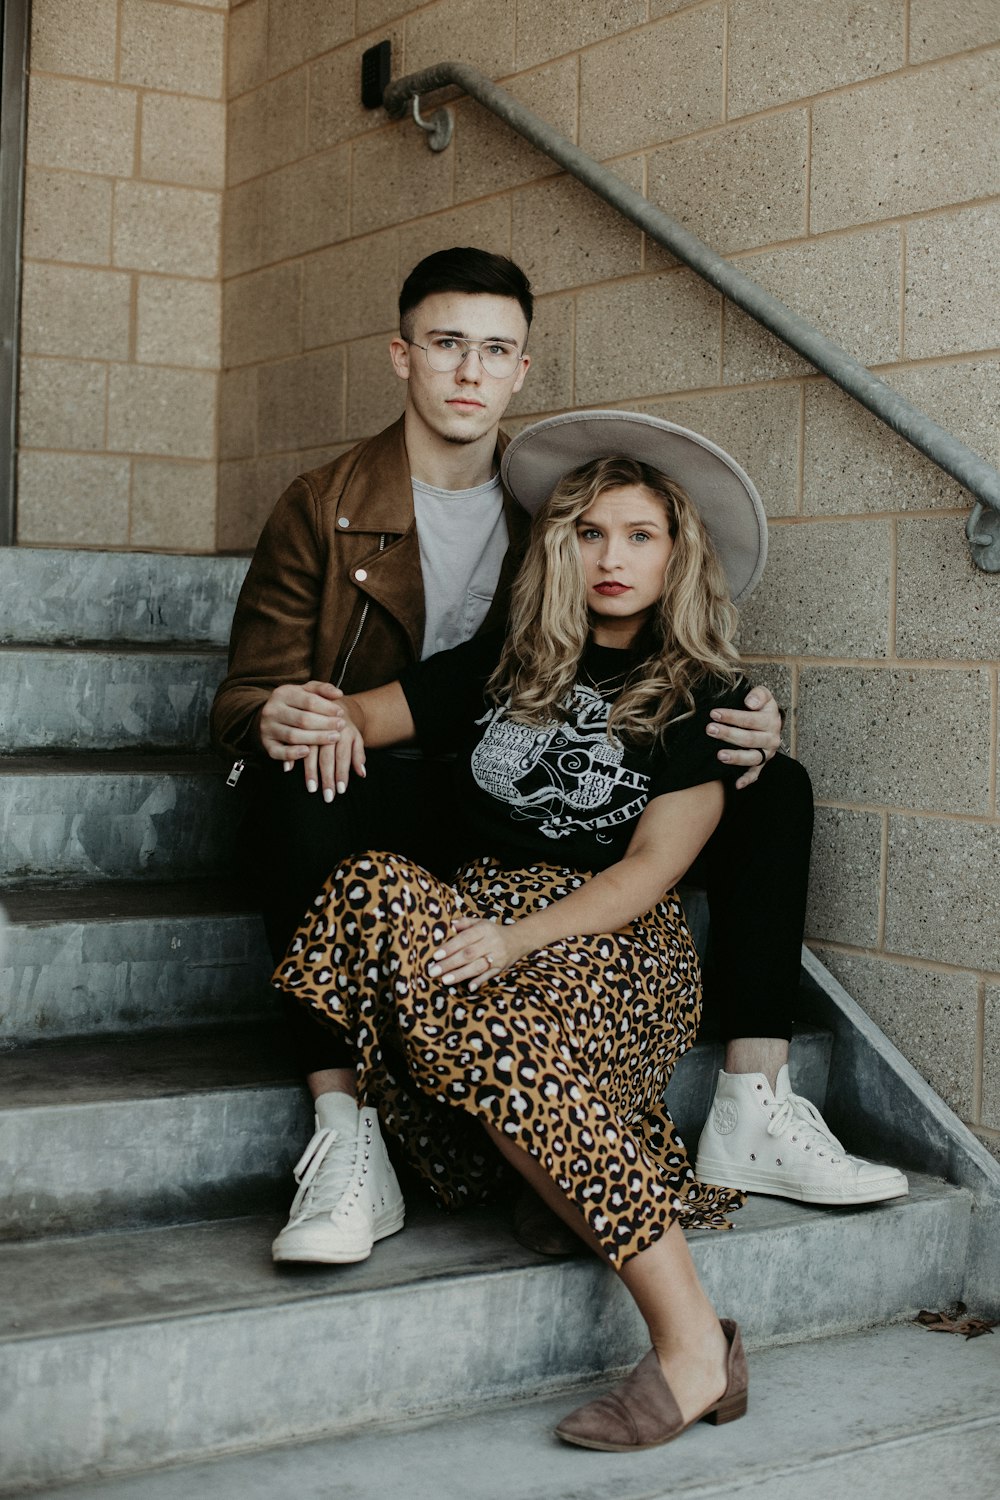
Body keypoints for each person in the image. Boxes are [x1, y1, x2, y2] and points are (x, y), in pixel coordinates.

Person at [209, 246, 904, 1267]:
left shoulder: (568, 530)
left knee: (775, 781)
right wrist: (286, 714)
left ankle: (754, 1100)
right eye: (447, 344)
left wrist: (744, 723)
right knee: (304, 764)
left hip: (571, 851)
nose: (468, 371)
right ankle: (345, 1131)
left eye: (494, 350)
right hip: (429, 807)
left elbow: (652, 782)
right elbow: (320, 698)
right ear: (403, 355)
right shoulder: (332, 510)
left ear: (523, 369)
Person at [272, 414, 758, 1449]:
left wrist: (517, 938)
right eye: (589, 534)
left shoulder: (702, 698)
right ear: (557, 547)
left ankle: (689, 1343)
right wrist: (299, 716)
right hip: (475, 928)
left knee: (485, 1014)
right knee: (368, 882)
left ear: (677, 555)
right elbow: (364, 716)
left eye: (638, 536)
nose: (613, 559)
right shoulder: (506, 663)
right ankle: (554, 1182)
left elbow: (647, 873)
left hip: (613, 945)